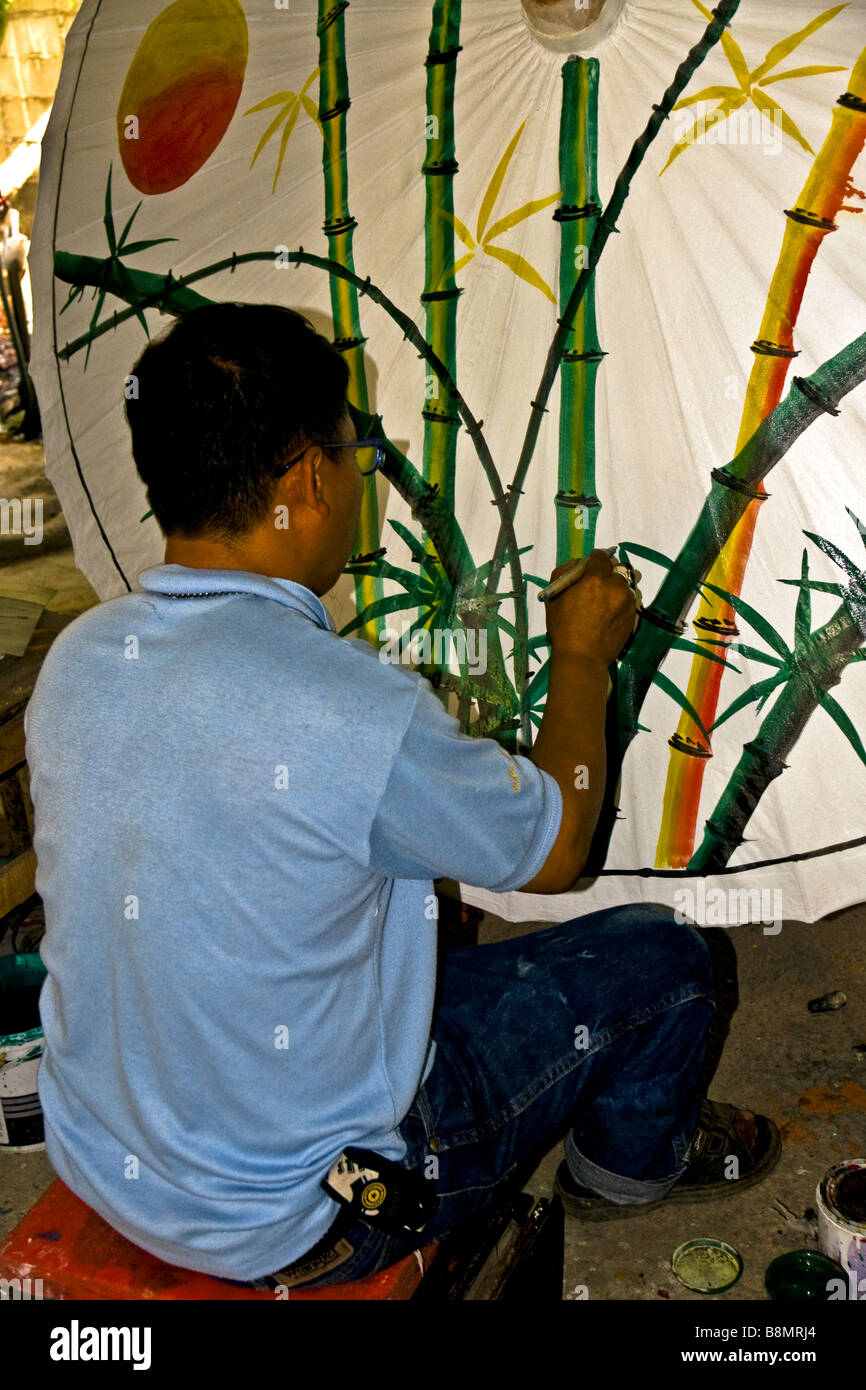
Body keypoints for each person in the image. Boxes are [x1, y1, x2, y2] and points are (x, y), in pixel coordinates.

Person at [25, 302, 780, 1292]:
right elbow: (557, 851)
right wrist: (580, 660)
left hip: (108, 1159)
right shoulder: (344, 704)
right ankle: (619, 1173)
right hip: (325, 1207)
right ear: (306, 475)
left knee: (406, 934)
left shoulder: (81, 660)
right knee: (666, 963)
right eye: (352, 452)